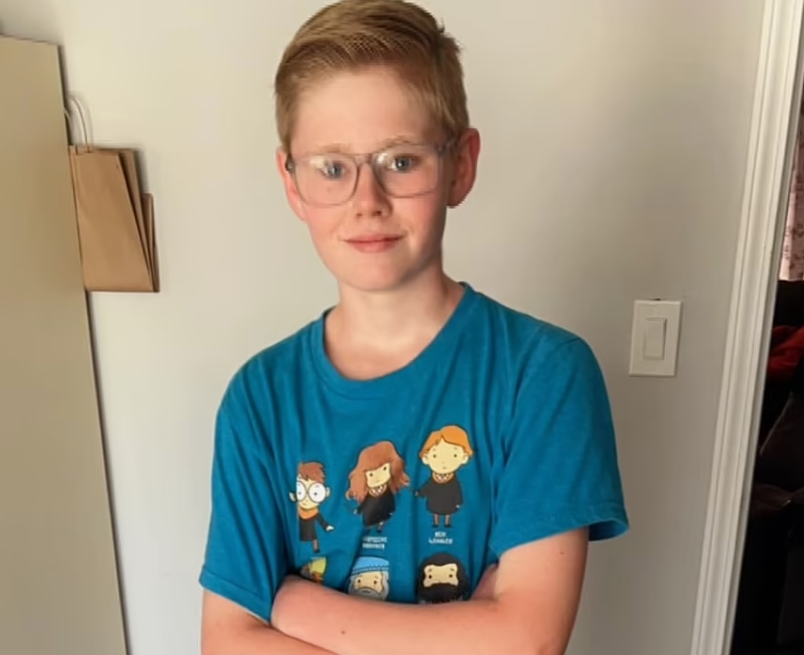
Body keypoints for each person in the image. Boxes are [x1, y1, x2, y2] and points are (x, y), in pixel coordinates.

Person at [198, 1, 629, 654]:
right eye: (332, 167)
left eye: (401, 161)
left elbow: (527, 642)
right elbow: (227, 643)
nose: (367, 200)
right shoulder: (258, 398)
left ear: (461, 164)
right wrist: (472, 630)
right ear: (292, 184)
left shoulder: (544, 374)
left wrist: (290, 604)